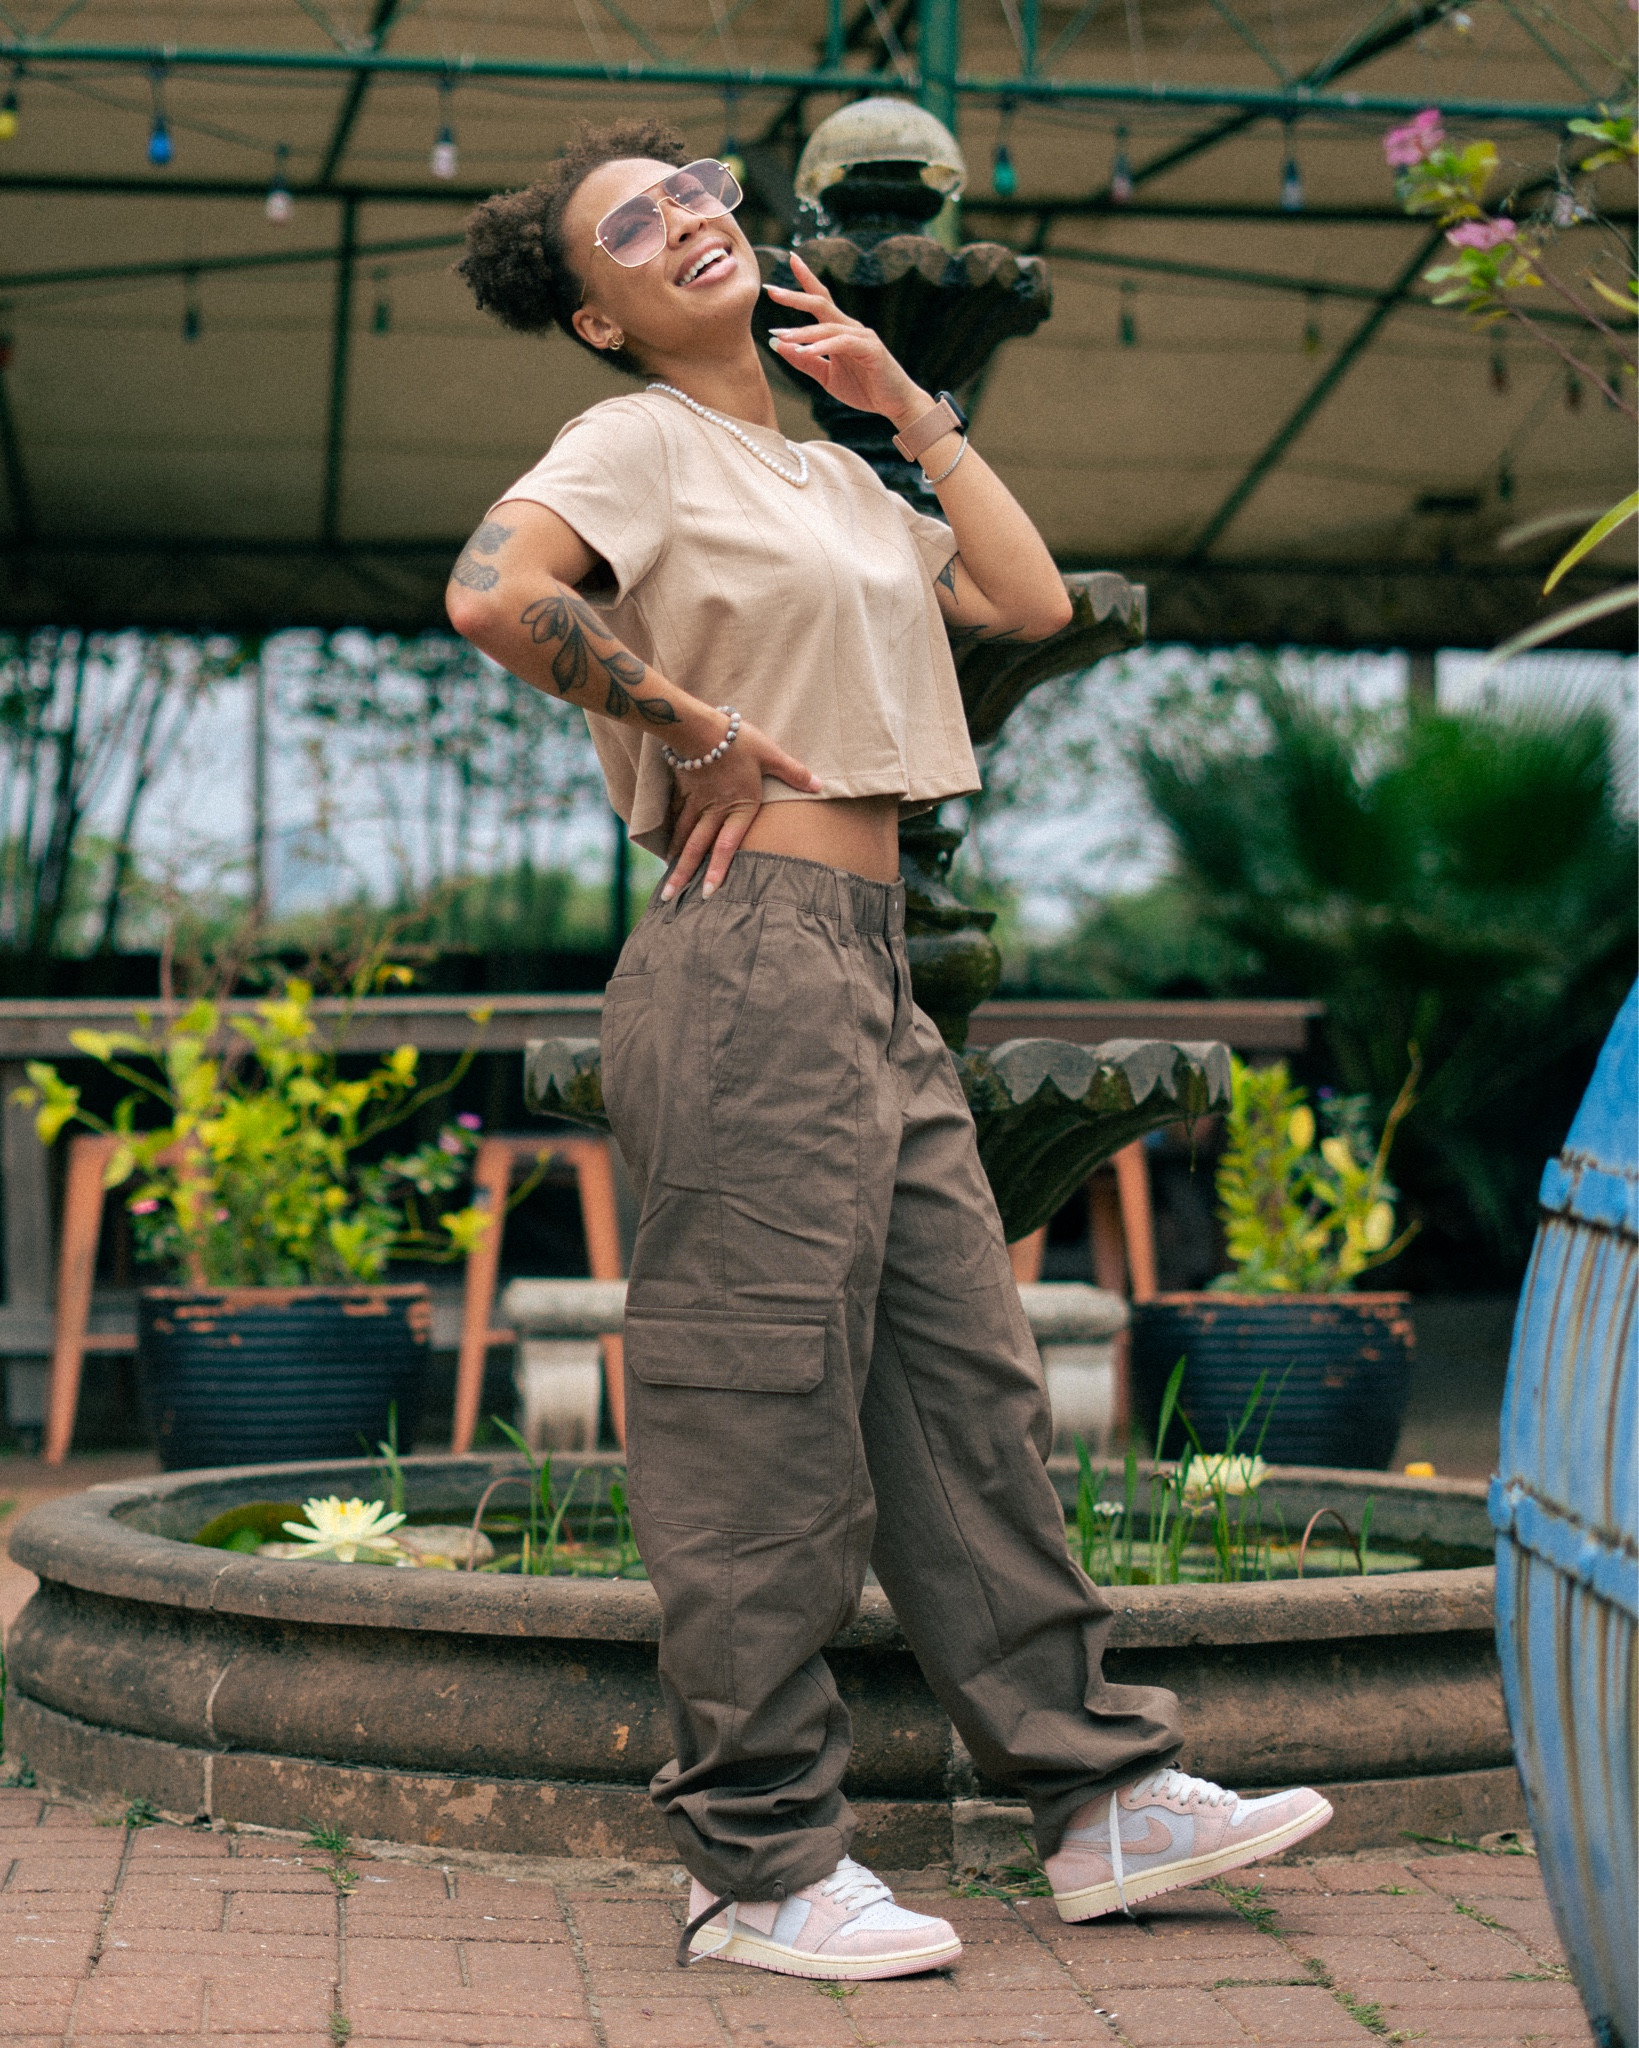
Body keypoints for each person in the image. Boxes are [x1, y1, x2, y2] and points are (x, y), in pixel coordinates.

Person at [447, 117, 1331, 1984]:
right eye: (632, 223)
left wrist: (909, 407)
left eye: (695, 191)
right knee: (757, 1405)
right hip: (744, 950)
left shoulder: (831, 472)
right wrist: (684, 721)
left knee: (962, 1384)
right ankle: (756, 1864)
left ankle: (1098, 1801)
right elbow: (492, 589)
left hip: (871, 961)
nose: (686, 215)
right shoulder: (635, 441)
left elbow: (1022, 604)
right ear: (598, 319)